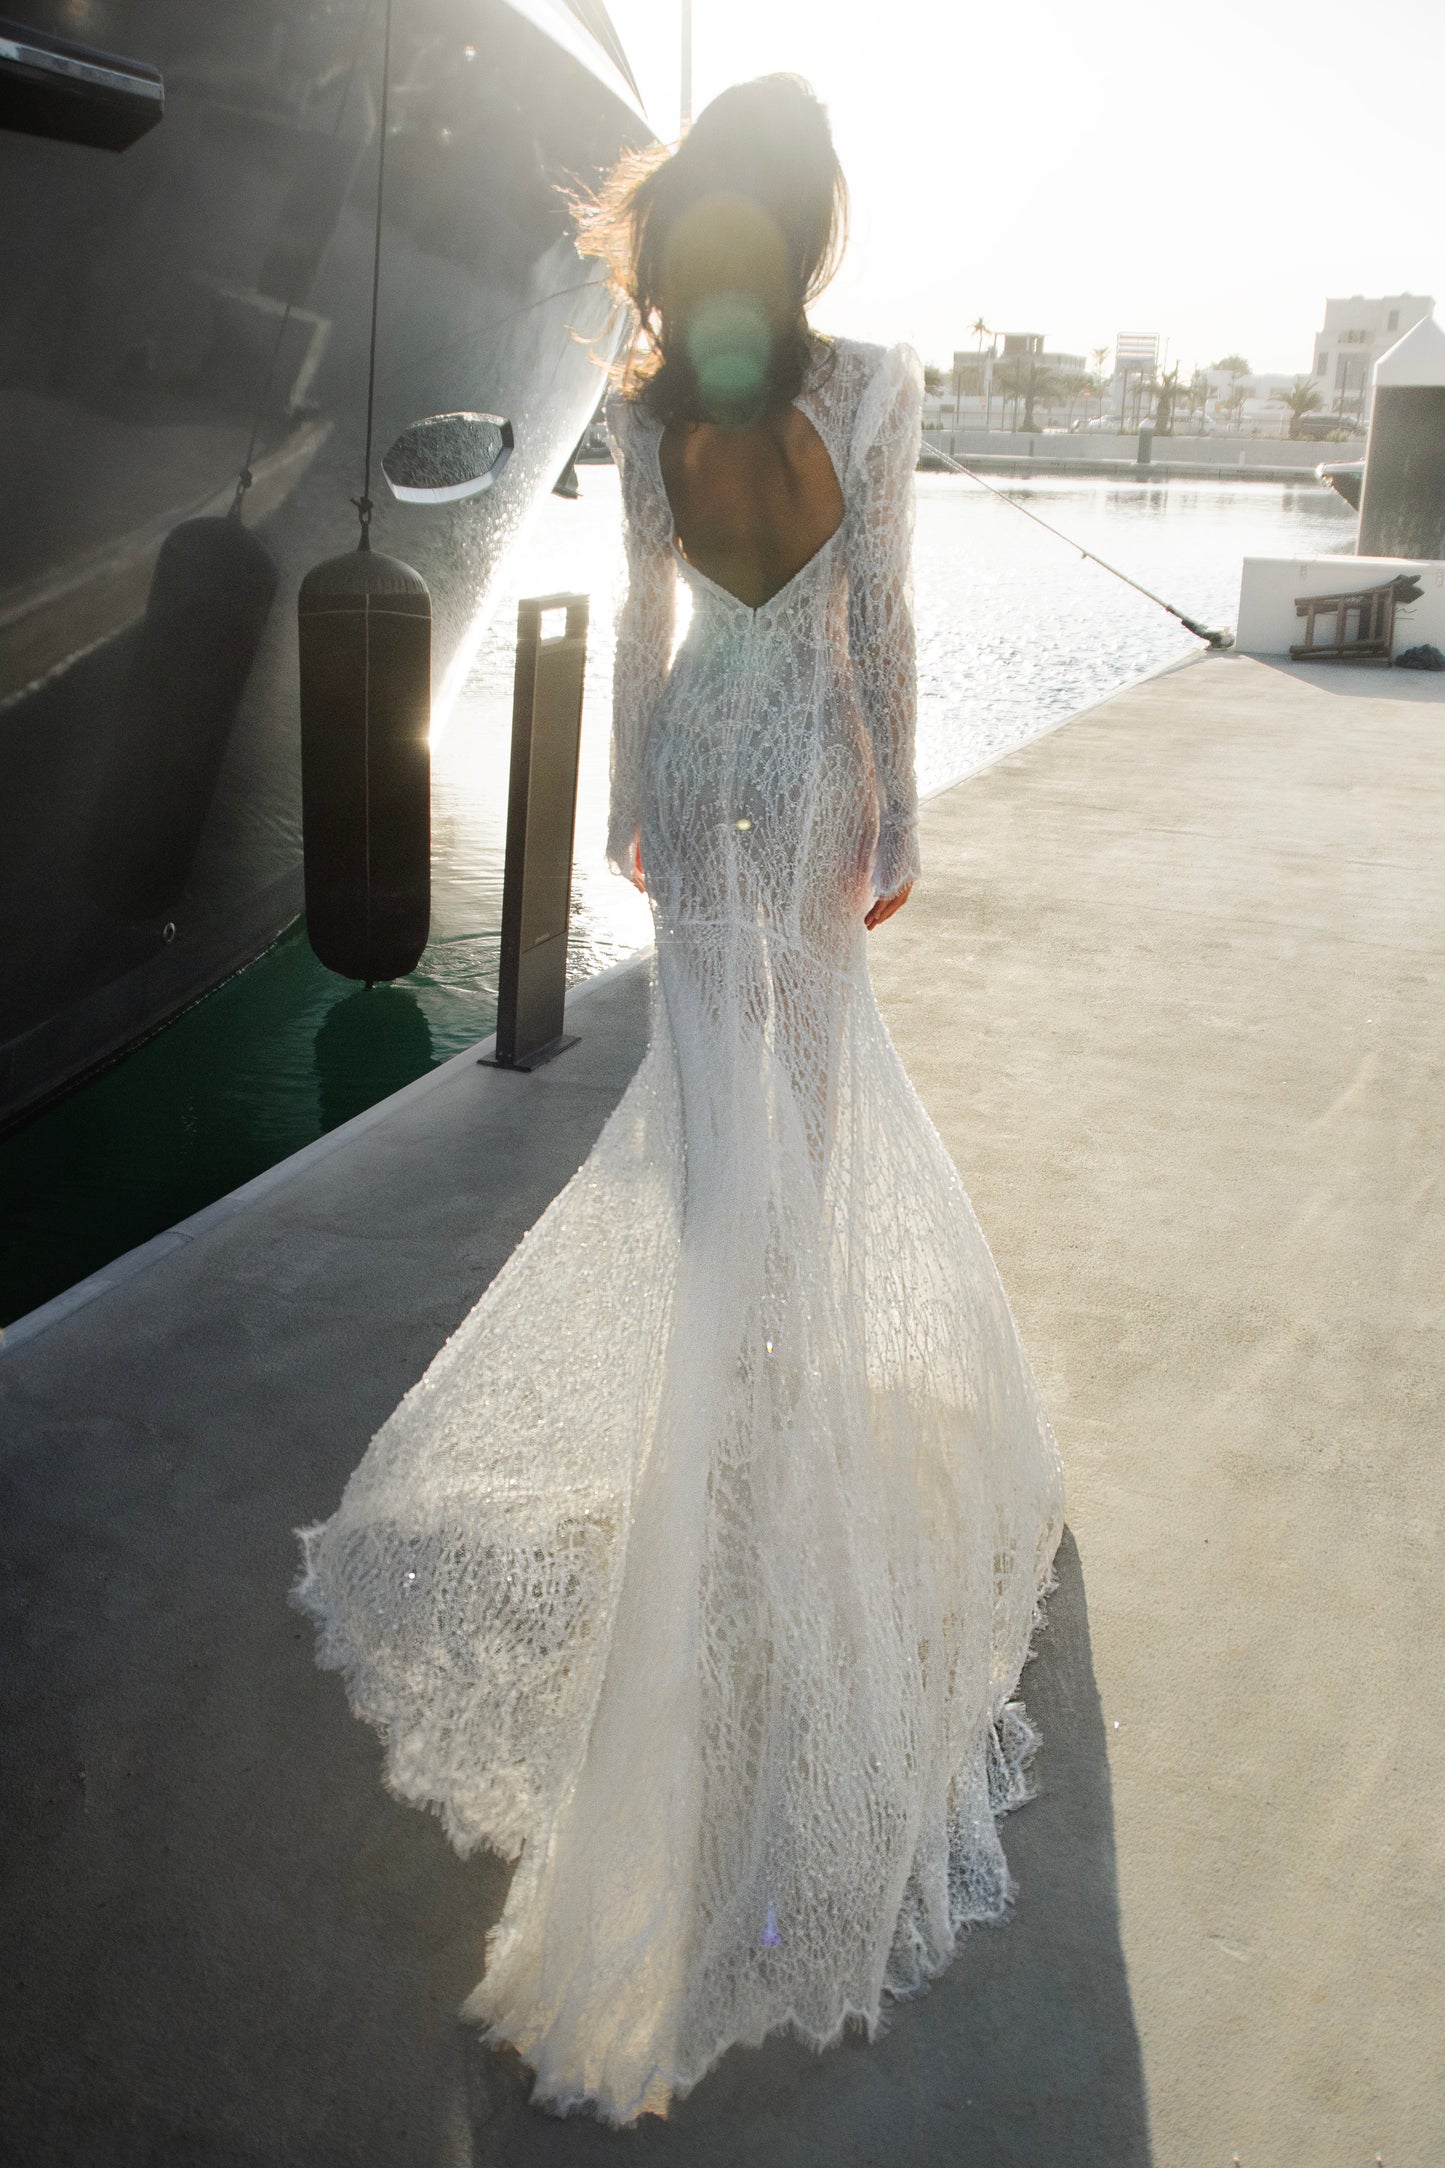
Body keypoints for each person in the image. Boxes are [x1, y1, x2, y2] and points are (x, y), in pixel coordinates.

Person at [294, 75, 1064, 2129]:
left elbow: (646, 628)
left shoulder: (642, 422)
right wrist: (896, 815)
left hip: (703, 780)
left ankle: (735, 1395)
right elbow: (879, 618)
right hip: (802, 783)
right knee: (807, 1120)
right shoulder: (873, 383)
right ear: (811, 222)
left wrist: (629, 814)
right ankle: (767, 1425)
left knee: (714, 1130)